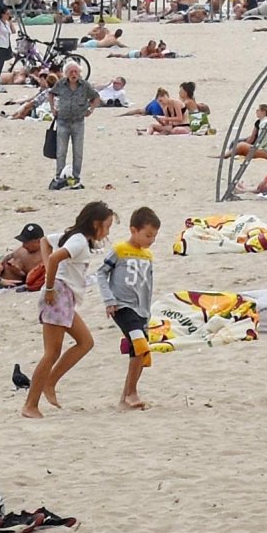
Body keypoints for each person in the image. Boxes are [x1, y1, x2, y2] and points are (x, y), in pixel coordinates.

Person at [23, 200, 116, 419]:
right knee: (51, 352)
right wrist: (48, 284)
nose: (109, 231)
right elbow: (54, 256)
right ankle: (30, 404)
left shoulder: (76, 238)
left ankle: (50, 383)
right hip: (58, 296)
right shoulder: (79, 242)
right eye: (107, 226)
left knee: (85, 342)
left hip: (65, 297)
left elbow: (46, 241)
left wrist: (49, 273)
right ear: (95, 224)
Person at [98, 206, 161, 410]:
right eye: (148, 235)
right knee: (141, 346)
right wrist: (109, 300)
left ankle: (127, 395)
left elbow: (147, 284)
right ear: (134, 230)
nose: (151, 240)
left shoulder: (148, 256)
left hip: (141, 310)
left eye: (154, 236)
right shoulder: (119, 250)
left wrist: (147, 311)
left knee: (137, 353)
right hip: (122, 307)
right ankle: (132, 393)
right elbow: (101, 274)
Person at [48, 59, 96, 191]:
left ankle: (76, 177)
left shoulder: (85, 85)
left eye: (76, 72)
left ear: (79, 73)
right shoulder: (60, 84)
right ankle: (59, 177)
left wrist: (91, 110)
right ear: (66, 73)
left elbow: (95, 97)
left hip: (78, 122)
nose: (73, 74)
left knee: (78, 152)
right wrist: (53, 108)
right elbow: (51, 94)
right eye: (71, 72)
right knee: (61, 151)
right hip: (62, 121)